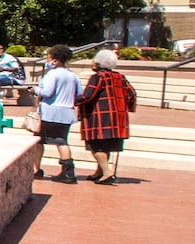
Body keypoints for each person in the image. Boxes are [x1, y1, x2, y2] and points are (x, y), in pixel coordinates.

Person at [76, 48, 137, 184]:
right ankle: (100, 171)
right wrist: (126, 108)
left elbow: (88, 95)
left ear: (98, 64)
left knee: (95, 146)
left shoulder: (98, 77)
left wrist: (73, 100)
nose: (92, 63)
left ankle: (107, 172)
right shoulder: (120, 77)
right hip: (117, 118)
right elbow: (132, 94)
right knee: (106, 146)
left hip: (99, 116)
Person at [32, 44, 82, 183]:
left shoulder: (52, 74)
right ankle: (68, 171)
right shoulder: (72, 75)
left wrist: (34, 90)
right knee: (62, 141)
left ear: (55, 59)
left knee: (39, 140)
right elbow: (79, 94)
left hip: (50, 112)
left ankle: (36, 169)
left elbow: (47, 92)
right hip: (67, 112)